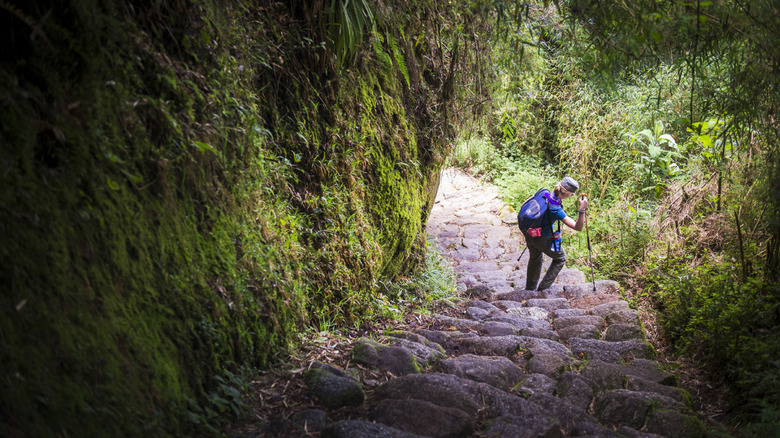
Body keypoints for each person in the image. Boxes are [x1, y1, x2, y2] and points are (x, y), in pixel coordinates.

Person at [524, 176, 589, 291]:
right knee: (560, 258)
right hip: (542, 238)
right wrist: (582, 210)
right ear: (568, 194)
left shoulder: (544, 193)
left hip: (529, 233)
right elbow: (578, 227)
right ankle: (542, 289)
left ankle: (530, 290)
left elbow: (524, 205)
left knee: (535, 258)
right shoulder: (556, 209)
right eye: (572, 195)